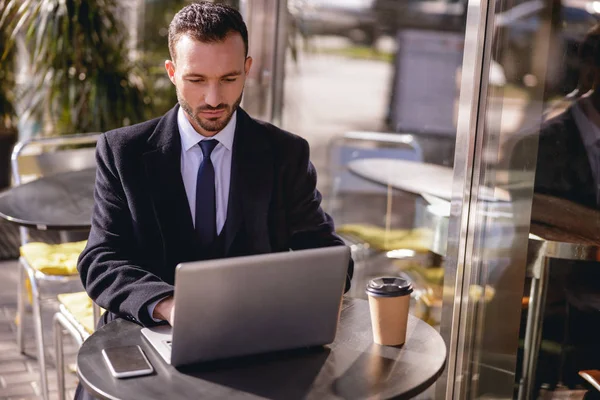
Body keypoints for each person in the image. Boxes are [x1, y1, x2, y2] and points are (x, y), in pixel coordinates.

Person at [75, 3, 352, 398]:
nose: (212, 98)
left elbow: (326, 252)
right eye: (196, 79)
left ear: (248, 69)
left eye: (228, 78)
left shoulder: (285, 153)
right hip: (149, 341)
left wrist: (314, 291)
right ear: (172, 73)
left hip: (257, 350)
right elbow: (101, 260)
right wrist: (170, 306)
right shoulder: (123, 152)